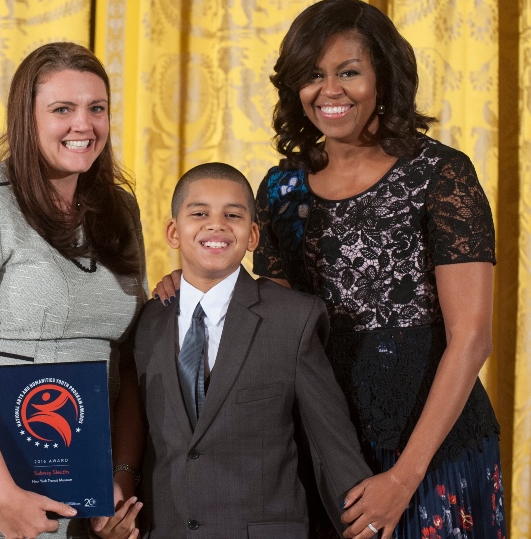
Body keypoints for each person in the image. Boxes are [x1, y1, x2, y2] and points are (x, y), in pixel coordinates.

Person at [155, 0, 506, 539]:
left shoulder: (440, 174)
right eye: (313, 76)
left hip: (430, 453)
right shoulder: (282, 188)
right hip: (319, 449)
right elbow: (263, 324)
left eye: (349, 72)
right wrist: (197, 283)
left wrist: (403, 478)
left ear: (383, 78)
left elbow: (472, 336)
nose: (330, 91)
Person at [0, 43, 148, 539]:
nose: (84, 125)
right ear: (26, 117)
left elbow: (128, 358)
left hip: (83, 486)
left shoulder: (121, 213)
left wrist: (119, 476)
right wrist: (3, 496)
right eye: (63, 109)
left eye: (96, 108)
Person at [120, 162, 372, 539]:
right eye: (199, 213)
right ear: (174, 231)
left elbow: (329, 440)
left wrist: (362, 518)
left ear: (253, 235)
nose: (216, 225)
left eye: (233, 215)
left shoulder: (293, 318)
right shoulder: (148, 321)